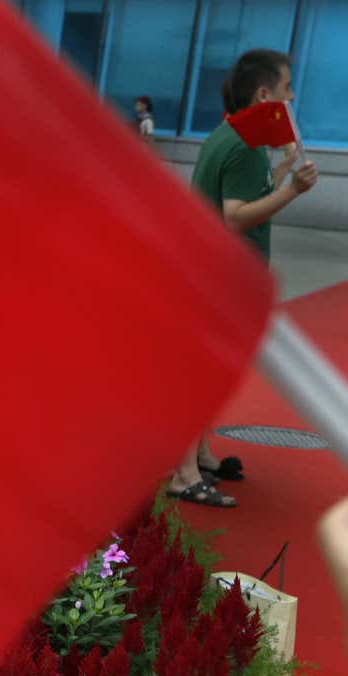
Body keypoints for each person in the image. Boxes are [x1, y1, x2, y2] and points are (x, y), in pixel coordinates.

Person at [165, 48, 319, 509]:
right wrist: (293, 189)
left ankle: (200, 457)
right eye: (288, 86)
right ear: (265, 93)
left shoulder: (230, 138)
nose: (292, 95)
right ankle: (184, 474)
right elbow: (236, 216)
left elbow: (250, 190)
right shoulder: (246, 146)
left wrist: (286, 169)